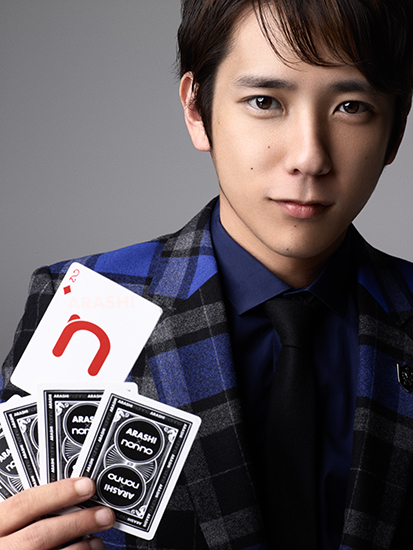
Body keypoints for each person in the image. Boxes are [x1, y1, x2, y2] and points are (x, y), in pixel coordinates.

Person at [1, 0, 413, 548]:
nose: (309, 157)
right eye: (265, 102)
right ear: (197, 111)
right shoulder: (85, 302)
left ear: (396, 128)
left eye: (352, 107)